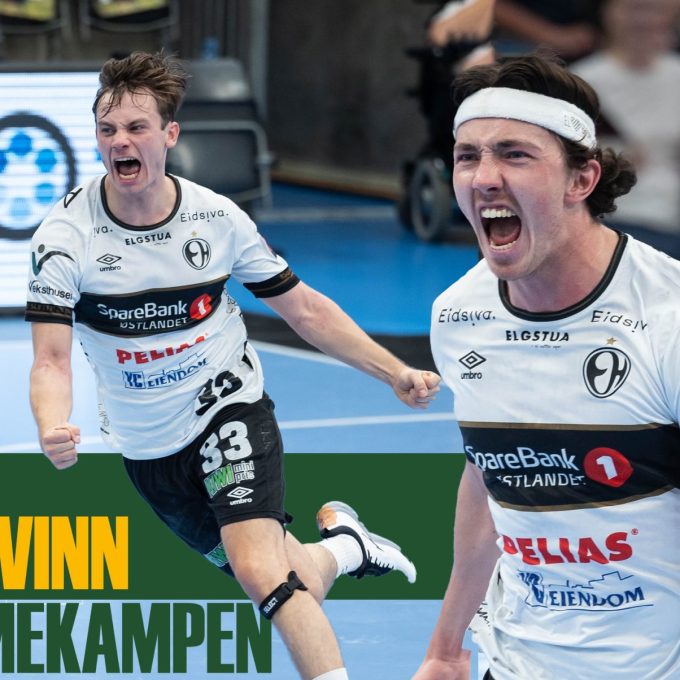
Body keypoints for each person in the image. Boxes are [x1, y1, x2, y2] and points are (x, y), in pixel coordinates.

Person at [25, 51, 441, 680]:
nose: (120, 142)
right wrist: (51, 424)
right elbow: (52, 360)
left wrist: (393, 372)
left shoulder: (216, 219)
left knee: (259, 572)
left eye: (136, 127)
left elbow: (305, 309)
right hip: (147, 445)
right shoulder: (65, 238)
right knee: (294, 581)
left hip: (228, 406)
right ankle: (347, 547)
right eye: (108, 129)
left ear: (170, 134)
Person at [413, 52, 679, 680]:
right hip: (517, 663)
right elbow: (487, 476)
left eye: (515, 154)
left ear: (581, 179)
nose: (484, 177)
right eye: (468, 156)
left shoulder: (666, 319)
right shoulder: (459, 314)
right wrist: (445, 648)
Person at [571, 0, 680, 259]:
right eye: (633, 8)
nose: (643, 21)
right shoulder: (579, 82)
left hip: (671, 220)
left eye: (654, 10)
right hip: (606, 220)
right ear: (607, 12)